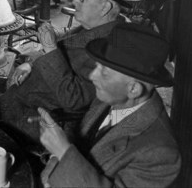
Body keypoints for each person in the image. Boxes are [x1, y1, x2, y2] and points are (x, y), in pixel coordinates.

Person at [0, 0, 129, 143]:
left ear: (105, 7)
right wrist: (31, 63)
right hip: (25, 98)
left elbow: (74, 100)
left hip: (39, 119)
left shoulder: (110, 49)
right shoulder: (94, 27)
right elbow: (62, 49)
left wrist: (49, 47)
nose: (74, 1)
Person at [38, 23, 180, 188]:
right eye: (96, 66)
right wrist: (54, 158)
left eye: (104, 72)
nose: (92, 75)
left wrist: (62, 151)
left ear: (133, 89)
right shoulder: (110, 97)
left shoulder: (161, 154)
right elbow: (82, 140)